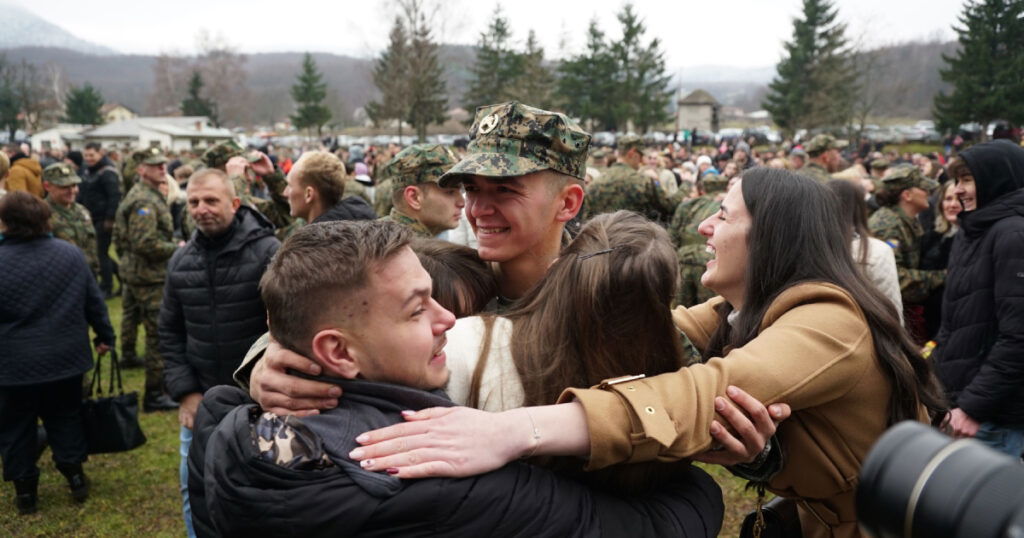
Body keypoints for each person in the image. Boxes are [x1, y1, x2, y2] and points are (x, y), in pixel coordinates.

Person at [349, 168, 946, 538]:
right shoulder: (733, 317)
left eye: (723, 214)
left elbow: (693, 392)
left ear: (772, 237)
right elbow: (628, 334)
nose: (705, 229)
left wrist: (515, 430)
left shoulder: (829, 321)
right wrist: (277, 357)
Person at [188, 220, 725, 537]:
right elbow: (651, 527)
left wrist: (272, 358)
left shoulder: (228, 423)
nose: (449, 320)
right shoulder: (442, 470)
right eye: (419, 309)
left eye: (506, 188)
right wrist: (684, 470)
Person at [158, 168, 280, 536]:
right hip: (203, 398)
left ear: (235, 203)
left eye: (211, 200)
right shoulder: (180, 262)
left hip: (259, 399)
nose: (201, 209)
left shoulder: (267, 252)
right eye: (193, 202)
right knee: (194, 485)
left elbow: (286, 326)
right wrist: (187, 392)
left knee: (261, 489)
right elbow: (169, 330)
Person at [0, 192, 115, 515]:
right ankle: (75, 475)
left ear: (6, 222)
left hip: (13, 364)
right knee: (65, 416)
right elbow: (94, 301)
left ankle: (25, 492)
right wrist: (105, 336)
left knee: (15, 425)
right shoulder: (70, 254)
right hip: (65, 359)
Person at [932, 139, 1024, 458]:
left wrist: (973, 407)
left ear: (996, 179)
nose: (957, 190)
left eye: (967, 179)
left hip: (991, 418)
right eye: (956, 180)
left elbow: (1018, 337)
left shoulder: (1012, 235)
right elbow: (957, 324)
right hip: (960, 407)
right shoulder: (973, 232)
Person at [112, 147, 179, 412]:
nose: (162, 168)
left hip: (139, 273)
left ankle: (149, 379)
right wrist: (178, 247)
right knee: (157, 335)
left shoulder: (145, 194)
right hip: (149, 277)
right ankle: (154, 393)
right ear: (141, 170)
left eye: (163, 164)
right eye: (155, 165)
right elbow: (145, 243)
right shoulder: (144, 201)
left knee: (139, 322)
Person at [868, 164, 945, 342]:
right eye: (923, 188)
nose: (928, 192)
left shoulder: (904, 220)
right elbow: (895, 278)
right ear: (907, 195)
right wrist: (942, 277)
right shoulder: (888, 226)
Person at [826, 179, 902, 320]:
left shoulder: (811, 248)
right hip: (866, 333)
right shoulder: (877, 251)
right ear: (861, 208)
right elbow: (892, 306)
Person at [585, 135, 677, 223]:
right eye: (640, 156)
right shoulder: (644, 182)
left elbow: (586, 219)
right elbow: (669, 207)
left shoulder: (595, 184)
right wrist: (687, 184)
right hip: (636, 237)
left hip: (603, 237)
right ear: (632, 153)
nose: (641, 161)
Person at [377, 144, 463, 237]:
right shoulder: (405, 248)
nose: (462, 203)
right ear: (414, 198)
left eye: (461, 190)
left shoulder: (385, 238)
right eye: (450, 192)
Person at [283, 150, 377, 225]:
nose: (285, 193)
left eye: (290, 186)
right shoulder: (363, 230)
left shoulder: (316, 245)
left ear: (309, 194)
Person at [79, 142, 122, 298]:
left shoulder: (107, 172)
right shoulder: (87, 171)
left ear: (100, 154)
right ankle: (122, 278)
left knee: (100, 254)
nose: (89, 158)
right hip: (90, 217)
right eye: (86, 155)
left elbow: (114, 196)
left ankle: (107, 287)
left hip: (103, 218)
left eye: (92, 155)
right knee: (101, 253)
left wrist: (110, 218)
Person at [919, 179, 960, 340]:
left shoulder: (972, 240)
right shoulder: (933, 235)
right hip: (930, 321)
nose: (953, 204)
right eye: (948, 199)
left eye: (959, 199)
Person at [42, 163, 99, 276]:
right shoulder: (41, 214)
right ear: (47, 186)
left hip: (88, 274)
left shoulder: (82, 211)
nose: (72, 191)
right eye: (64, 187)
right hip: (61, 278)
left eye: (74, 185)